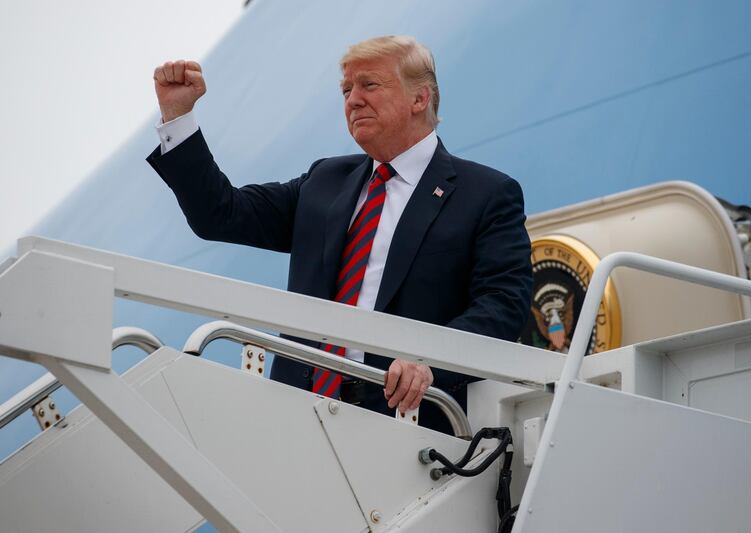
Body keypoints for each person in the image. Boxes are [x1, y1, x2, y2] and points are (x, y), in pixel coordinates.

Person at [146, 35, 532, 435]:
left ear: (420, 98)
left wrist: (429, 362)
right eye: (346, 89)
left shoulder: (485, 195)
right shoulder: (324, 181)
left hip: (407, 426)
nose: (353, 100)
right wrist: (178, 117)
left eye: (369, 85)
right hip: (294, 417)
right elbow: (220, 215)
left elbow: (503, 305)